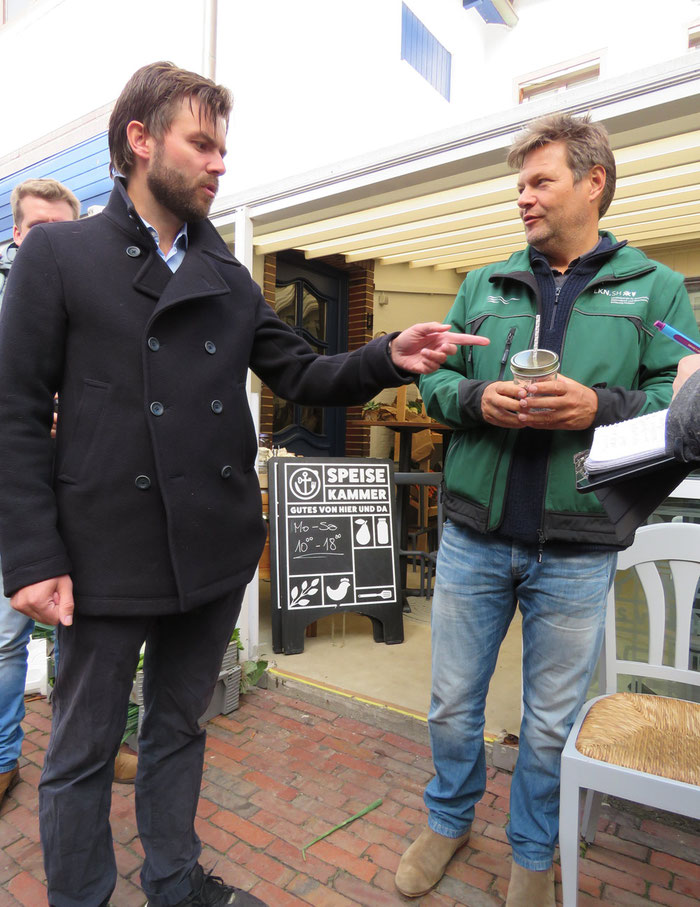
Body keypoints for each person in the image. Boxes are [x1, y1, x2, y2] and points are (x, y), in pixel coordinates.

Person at [0, 62, 487, 907]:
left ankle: (175, 880)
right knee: (79, 754)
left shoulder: (226, 274)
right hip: (103, 550)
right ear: (139, 141)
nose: (220, 163)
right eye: (202, 143)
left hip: (214, 548)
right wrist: (33, 555)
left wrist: (384, 355)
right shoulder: (60, 254)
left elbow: (300, 370)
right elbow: (11, 410)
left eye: (225, 148)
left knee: (178, 726)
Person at [394, 113, 700, 906]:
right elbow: (430, 381)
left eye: (540, 181)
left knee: (550, 719)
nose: (523, 197)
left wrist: (598, 406)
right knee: (453, 702)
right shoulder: (482, 282)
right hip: (473, 535)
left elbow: (684, 400)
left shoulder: (656, 287)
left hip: (579, 545)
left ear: (592, 182)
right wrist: (473, 396)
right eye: (519, 184)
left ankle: (532, 851)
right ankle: (448, 817)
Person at [0, 179, 85, 811]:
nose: (50, 241)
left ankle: (82, 752)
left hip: (79, 498)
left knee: (79, 638)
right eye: (39, 229)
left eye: (63, 229)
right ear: (16, 236)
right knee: (6, 639)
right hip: (15, 501)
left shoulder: (86, 304)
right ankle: (4, 760)